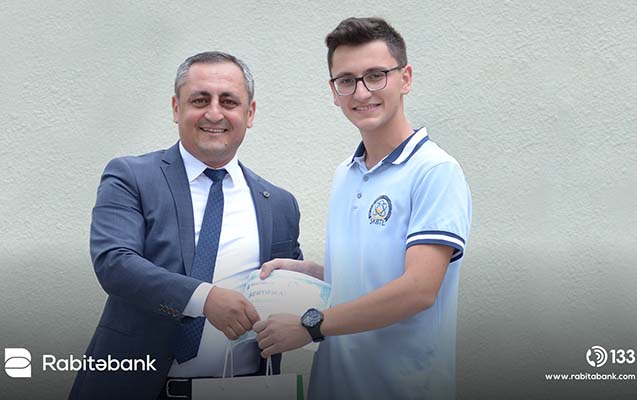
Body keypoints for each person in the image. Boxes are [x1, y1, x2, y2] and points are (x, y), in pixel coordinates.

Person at [254, 17, 471, 399]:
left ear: (405, 79)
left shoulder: (435, 171)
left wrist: (309, 326)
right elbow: (373, 276)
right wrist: (313, 274)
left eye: (375, 75)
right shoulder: (346, 173)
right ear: (334, 91)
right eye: (347, 80)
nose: (361, 91)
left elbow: (418, 289)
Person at [69, 51, 302, 400]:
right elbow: (114, 263)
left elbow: (292, 291)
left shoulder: (280, 203)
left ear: (250, 113)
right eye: (199, 100)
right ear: (176, 108)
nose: (214, 113)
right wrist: (205, 299)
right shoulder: (131, 177)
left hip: (245, 390)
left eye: (228, 101)